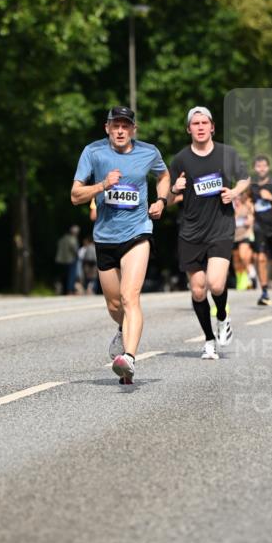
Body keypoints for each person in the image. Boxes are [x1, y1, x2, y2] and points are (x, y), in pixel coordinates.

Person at [71, 106, 170, 383]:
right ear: (107, 128)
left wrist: (161, 201)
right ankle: (122, 329)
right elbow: (75, 195)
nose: (120, 130)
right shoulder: (93, 152)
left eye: (126, 126)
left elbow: (164, 176)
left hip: (138, 232)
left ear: (133, 130)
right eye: (115, 125)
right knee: (115, 305)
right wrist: (102, 184)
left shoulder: (149, 152)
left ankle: (129, 358)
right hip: (105, 237)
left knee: (130, 296)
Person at [168, 105, 250, 360]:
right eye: (196, 123)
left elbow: (245, 179)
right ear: (188, 129)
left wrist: (235, 192)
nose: (201, 127)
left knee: (215, 283)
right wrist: (175, 188)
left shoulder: (228, 153)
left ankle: (223, 317)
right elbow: (168, 199)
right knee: (198, 290)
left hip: (221, 227)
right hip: (191, 231)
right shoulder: (180, 159)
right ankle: (209, 340)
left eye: (205, 123)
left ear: (212, 127)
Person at [250, 155, 272, 306]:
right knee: (261, 258)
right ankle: (264, 291)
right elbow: (248, 201)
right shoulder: (252, 185)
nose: (261, 168)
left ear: (268, 167)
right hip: (259, 226)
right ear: (255, 168)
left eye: (264, 165)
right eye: (258, 166)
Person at [55, 225, 80, 295]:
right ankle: (70, 290)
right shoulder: (72, 239)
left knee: (63, 276)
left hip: (60, 260)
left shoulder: (62, 239)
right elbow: (75, 249)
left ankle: (63, 290)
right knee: (71, 276)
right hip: (70, 260)